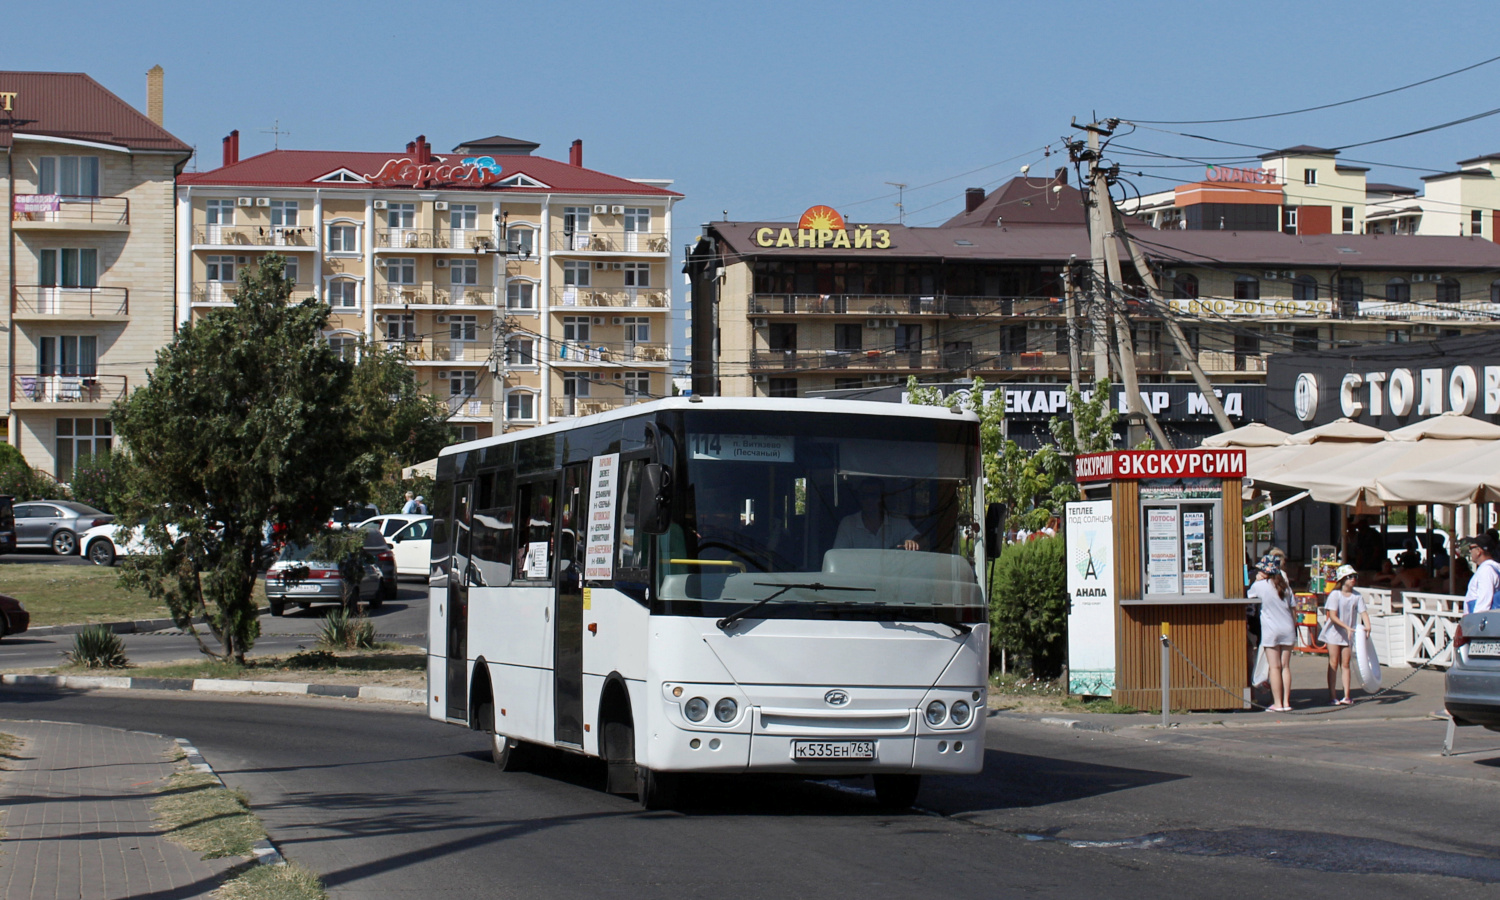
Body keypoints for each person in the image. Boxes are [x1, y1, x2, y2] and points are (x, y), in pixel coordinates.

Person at [1250, 555, 1297, 712]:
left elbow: (1249, 595)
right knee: (1285, 667)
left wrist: (1257, 580)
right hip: (1288, 628)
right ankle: (1286, 702)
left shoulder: (1261, 586)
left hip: (1271, 629)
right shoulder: (1285, 587)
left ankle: (1277, 703)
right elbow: (1293, 609)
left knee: (1274, 667)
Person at [1321, 565, 1371, 706]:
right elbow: (1333, 616)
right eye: (1350, 577)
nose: (1353, 580)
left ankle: (1347, 695)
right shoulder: (1335, 595)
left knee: (1346, 664)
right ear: (1342, 579)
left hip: (1348, 633)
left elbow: (1363, 612)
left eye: (1355, 577)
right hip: (1334, 633)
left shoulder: (1357, 595)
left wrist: (1368, 626)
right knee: (1333, 662)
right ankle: (1333, 695)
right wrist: (1347, 627)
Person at [833, 478, 919, 551]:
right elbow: (839, 556)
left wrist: (913, 543)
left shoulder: (899, 521)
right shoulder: (848, 523)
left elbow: (921, 540)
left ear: (883, 498)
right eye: (865, 496)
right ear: (859, 498)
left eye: (873, 495)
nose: (869, 500)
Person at [1462, 533, 1500, 614]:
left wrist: (1474, 623)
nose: (1470, 551)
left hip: (1478, 620)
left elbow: (1484, 602)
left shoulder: (1486, 570)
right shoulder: (1494, 567)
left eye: (1471, 548)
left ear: (1479, 551)